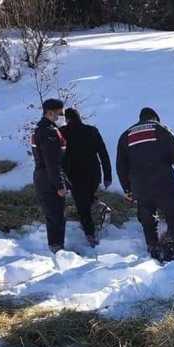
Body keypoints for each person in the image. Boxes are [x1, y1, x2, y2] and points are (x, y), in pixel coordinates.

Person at [116, 107, 174, 262]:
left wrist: (127, 189)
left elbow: (121, 166)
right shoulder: (161, 129)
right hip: (164, 182)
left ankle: (153, 250)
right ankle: (171, 249)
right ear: (155, 117)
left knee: (147, 219)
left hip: (140, 186)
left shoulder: (126, 135)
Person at [59, 108, 112, 247]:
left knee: (82, 207)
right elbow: (103, 153)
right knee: (87, 199)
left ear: (67, 119)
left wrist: (60, 176)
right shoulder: (92, 130)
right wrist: (107, 175)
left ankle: (90, 234)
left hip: (75, 175)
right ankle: (97, 206)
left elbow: (59, 156)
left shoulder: (63, 132)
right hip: (94, 174)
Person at [31, 98, 68, 253]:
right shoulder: (49, 132)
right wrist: (59, 185)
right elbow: (52, 162)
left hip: (43, 176)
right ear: (50, 112)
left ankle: (56, 247)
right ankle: (57, 249)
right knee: (56, 216)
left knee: (53, 215)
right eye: (59, 114)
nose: (60, 117)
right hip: (48, 178)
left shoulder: (40, 129)